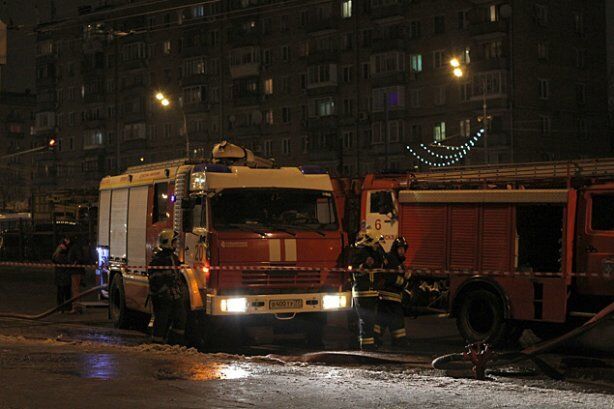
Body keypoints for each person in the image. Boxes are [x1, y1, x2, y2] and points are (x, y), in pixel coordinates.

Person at [148, 229, 187, 345]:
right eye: (174, 242)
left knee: (180, 317)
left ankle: (175, 344)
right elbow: (155, 280)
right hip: (162, 296)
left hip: (173, 294)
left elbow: (176, 276)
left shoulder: (173, 258)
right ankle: (157, 344)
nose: (175, 244)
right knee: (161, 320)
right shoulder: (158, 259)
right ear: (168, 242)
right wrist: (163, 290)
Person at [351, 229, 384, 351]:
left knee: (372, 319)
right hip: (362, 291)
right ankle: (366, 345)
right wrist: (363, 266)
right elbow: (354, 268)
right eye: (376, 243)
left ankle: (371, 342)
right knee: (366, 319)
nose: (377, 245)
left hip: (372, 291)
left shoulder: (376, 252)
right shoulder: (360, 253)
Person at [374, 236, 410, 348]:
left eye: (403, 248)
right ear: (395, 248)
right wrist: (404, 281)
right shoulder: (391, 259)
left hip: (389, 296)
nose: (402, 251)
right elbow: (390, 277)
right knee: (397, 319)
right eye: (400, 248)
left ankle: (376, 338)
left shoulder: (396, 260)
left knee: (382, 319)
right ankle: (399, 341)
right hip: (390, 295)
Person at [67, 236, 87, 314]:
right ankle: (76, 307)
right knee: (75, 289)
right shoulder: (75, 247)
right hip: (75, 271)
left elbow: (79, 258)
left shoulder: (74, 247)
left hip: (76, 271)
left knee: (75, 290)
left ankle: (76, 307)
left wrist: (75, 263)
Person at [52, 236, 72, 313]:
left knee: (63, 292)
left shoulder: (58, 253)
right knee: (64, 292)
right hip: (63, 275)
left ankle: (63, 308)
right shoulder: (61, 253)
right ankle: (64, 308)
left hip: (62, 275)